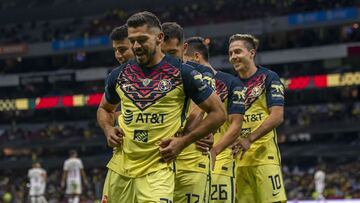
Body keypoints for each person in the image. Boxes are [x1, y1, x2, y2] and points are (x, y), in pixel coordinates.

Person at [97, 11, 226, 202]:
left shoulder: (183, 73)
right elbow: (104, 109)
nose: (136, 46)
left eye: (142, 39)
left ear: (159, 38)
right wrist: (108, 129)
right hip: (119, 170)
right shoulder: (119, 75)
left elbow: (218, 113)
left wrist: (184, 142)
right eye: (132, 40)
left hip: (158, 170)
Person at [183, 37, 245, 203]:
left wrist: (215, 150)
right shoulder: (184, 82)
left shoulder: (231, 83)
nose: (183, 64)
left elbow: (236, 125)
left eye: (184, 59)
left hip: (220, 159)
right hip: (188, 159)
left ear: (196, 57)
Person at [161, 23, 216, 203]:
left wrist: (183, 134)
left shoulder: (199, 72)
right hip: (162, 158)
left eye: (172, 53)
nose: (167, 60)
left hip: (190, 157)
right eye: (163, 54)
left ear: (184, 49)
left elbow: (201, 109)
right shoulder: (153, 74)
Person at [229, 34, 286, 203]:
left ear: (251, 53)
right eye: (230, 53)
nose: (233, 57)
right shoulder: (231, 85)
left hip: (264, 158)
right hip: (237, 162)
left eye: (237, 51)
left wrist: (249, 138)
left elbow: (277, 116)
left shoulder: (269, 78)